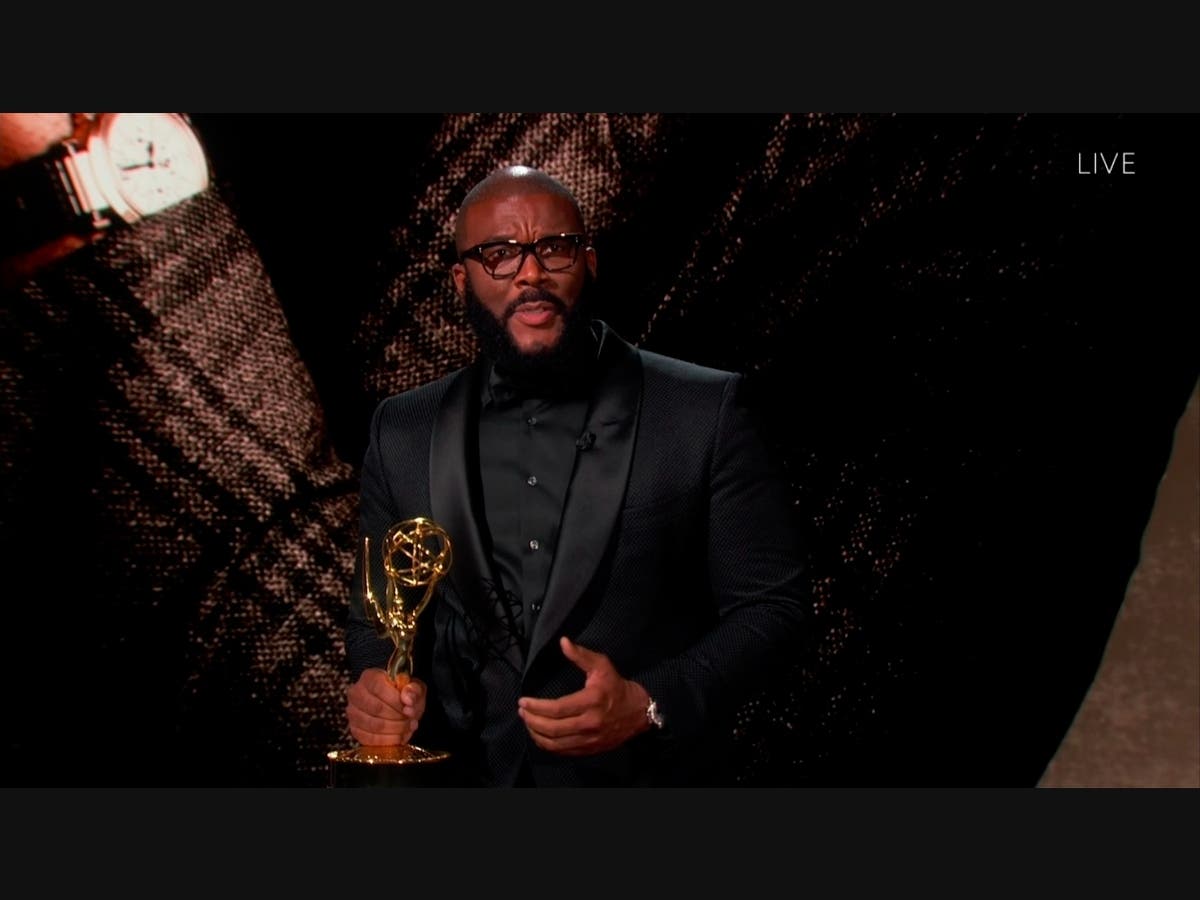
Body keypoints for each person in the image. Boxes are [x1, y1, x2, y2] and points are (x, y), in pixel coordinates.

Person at [343, 164, 812, 787]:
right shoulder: (399, 431)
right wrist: (375, 688)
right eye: (499, 254)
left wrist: (648, 703)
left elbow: (774, 609)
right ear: (462, 280)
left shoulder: (706, 411)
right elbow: (380, 618)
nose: (531, 274)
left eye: (554, 249)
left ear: (588, 262)